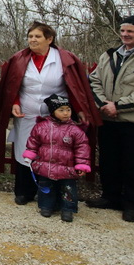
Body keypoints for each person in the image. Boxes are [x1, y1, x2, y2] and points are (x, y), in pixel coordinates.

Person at [0, 21, 101, 206]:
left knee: (55, 154)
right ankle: (25, 192)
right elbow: (12, 85)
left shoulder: (65, 59)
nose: (33, 40)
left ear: (49, 39)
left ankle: (53, 196)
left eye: (37, 36)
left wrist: (80, 110)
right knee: (25, 151)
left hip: (56, 118)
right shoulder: (19, 59)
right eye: (30, 36)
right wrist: (15, 103)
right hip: (27, 114)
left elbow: (74, 86)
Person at [88, 15, 134, 222]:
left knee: (132, 164)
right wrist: (103, 104)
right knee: (109, 161)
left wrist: (117, 106)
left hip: (131, 121)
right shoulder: (109, 55)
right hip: (107, 120)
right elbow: (94, 80)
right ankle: (110, 197)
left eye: (130, 31)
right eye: (123, 31)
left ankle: (132, 204)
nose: (125, 34)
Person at [22, 94, 91, 222]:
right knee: (46, 187)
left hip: (67, 167)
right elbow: (33, 141)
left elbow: (82, 147)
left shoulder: (75, 130)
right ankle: (46, 206)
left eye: (68, 110)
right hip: (46, 165)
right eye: (61, 110)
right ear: (53, 112)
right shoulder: (41, 127)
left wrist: (81, 164)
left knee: (68, 189)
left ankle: (68, 209)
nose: (66, 113)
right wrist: (30, 154)